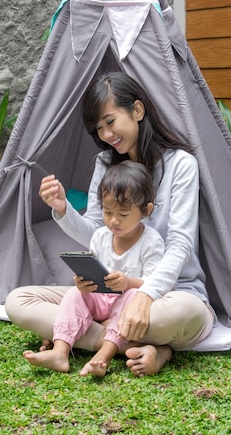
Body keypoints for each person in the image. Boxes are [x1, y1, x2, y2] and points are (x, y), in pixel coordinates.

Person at [5, 71, 215, 376]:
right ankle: (146, 346)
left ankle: (78, 335)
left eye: (110, 122)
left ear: (138, 111)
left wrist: (146, 295)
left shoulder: (181, 165)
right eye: (98, 128)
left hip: (169, 294)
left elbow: (180, 244)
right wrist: (63, 210)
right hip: (105, 298)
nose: (105, 135)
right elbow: (97, 230)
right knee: (18, 301)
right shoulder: (105, 164)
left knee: (188, 314)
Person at [23, 161, 165, 377]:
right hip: (100, 299)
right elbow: (95, 271)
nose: (114, 221)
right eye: (107, 212)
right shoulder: (100, 236)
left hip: (129, 305)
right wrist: (83, 282)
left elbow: (155, 284)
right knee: (74, 293)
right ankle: (60, 352)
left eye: (124, 214)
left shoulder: (151, 241)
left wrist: (128, 282)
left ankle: (103, 357)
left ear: (146, 210)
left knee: (133, 295)